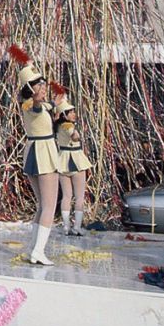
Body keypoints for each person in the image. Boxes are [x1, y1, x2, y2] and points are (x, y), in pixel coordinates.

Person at [8, 44, 58, 266]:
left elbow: (46, 104)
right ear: (31, 88)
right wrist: (35, 92)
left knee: (42, 205)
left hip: (36, 151)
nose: (44, 88)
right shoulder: (30, 104)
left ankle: (33, 250)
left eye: (44, 84)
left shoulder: (39, 104)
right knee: (49, 205)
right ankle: (38, 251)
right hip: (42, 153)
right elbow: (36, 104)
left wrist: (29, 65)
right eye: (40, 85)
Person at [52, 84, 92, 237]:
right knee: (79, 196)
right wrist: (76, 135)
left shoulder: (57, 126)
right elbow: (74, 136)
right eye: (71, 112)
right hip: (75, 161)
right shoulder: (68, 125)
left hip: (62, 161)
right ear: (65, 114)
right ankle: (77, 227)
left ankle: (66, 226)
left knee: (67, 196)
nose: (74, 114)